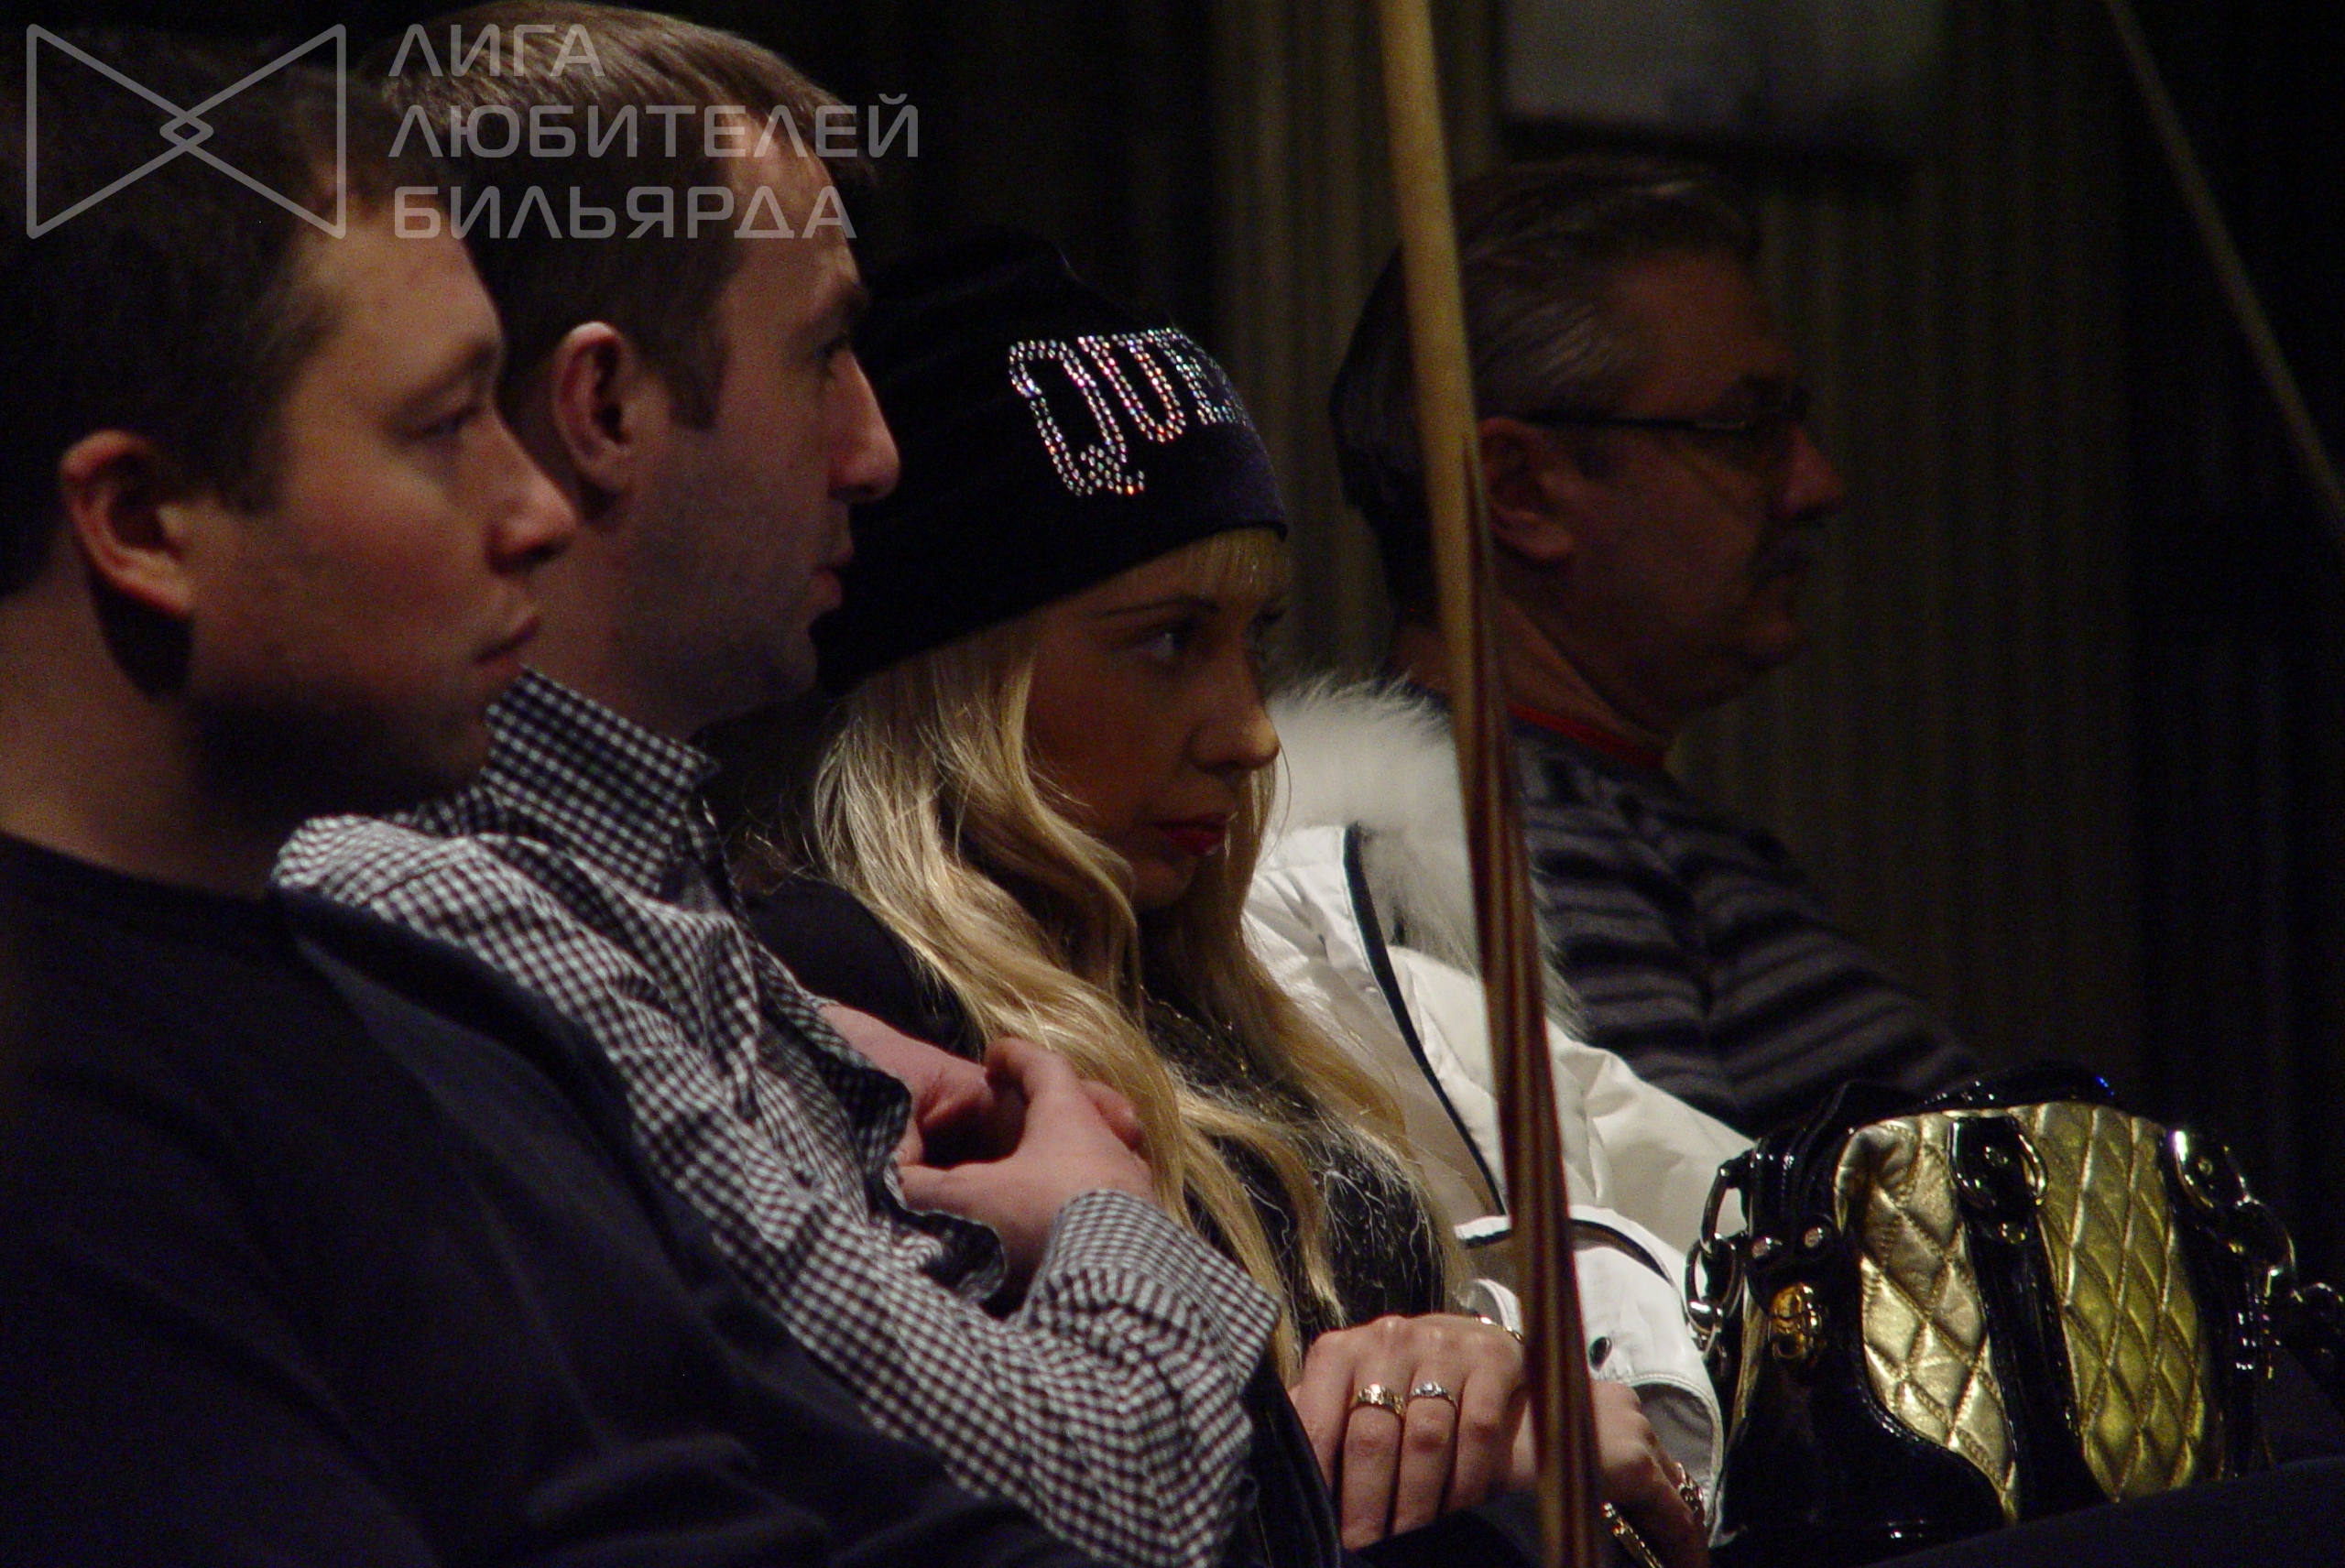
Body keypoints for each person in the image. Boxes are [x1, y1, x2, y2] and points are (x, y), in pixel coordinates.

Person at [0, 30, 1123, 1568]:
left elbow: (919, 1525)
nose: (534, 506)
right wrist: (1117, 1229)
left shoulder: (421, 1024)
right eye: (443, 425)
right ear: (142, 520)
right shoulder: (70, 1114)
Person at [277, 10, 1293, 1568]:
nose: (876, 452)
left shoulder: (663, 886)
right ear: (606, 409)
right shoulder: (453, 915)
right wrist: (1109, 1207)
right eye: (824, 355)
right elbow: (1111, 1509)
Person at [747, 230, 1714, 1568]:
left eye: (1251, 640)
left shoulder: (1236, 981)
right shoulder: (848, 1014)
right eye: (1167, 641)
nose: (1252, 732)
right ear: (959, 674)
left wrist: (1487, 1374)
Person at [1311, 158, 1980, 1138]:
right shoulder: (1484, 852)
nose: (1816, 482)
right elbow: (1677, 1231)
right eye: (1743, 426)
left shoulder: (1618, 822)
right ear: (1520, 489)